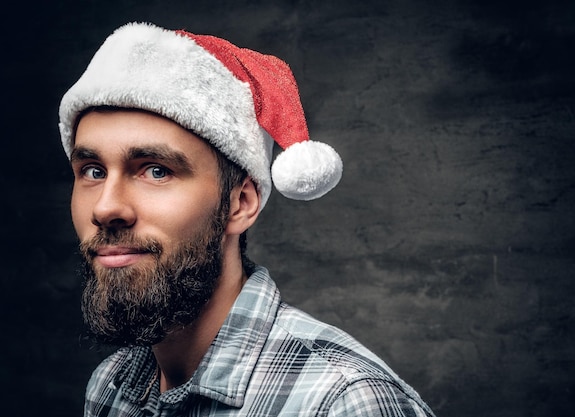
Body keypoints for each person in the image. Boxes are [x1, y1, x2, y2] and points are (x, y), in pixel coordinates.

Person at [58, 22, 436, 417]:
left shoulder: (343, 403)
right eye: (93, 171)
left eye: (156, 171)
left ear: (240, 203)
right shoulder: (111, 385)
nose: (105, 208)